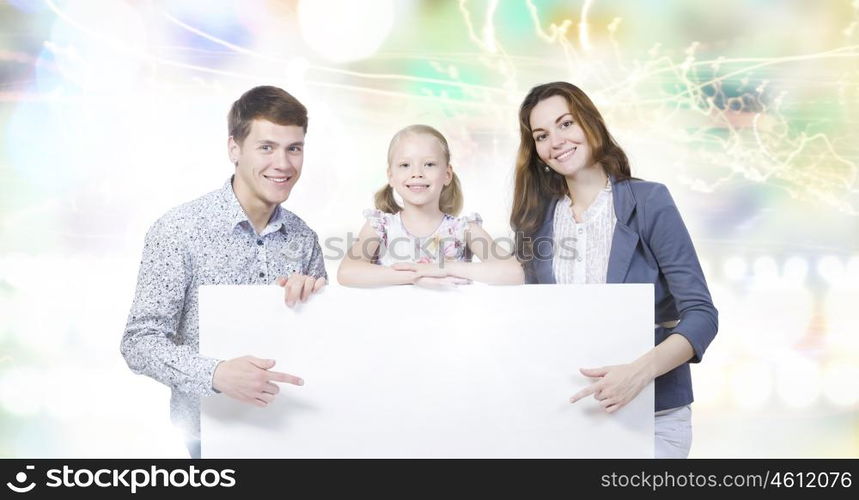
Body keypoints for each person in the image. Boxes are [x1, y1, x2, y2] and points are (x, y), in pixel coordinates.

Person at [510, 82, 718, 458]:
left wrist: (638, 373)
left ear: (591, 125)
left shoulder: (649, 201)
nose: (556, 141)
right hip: (566, 420)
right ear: (537, 152)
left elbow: (701, 316)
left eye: (566, 124)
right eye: (541, 135)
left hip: (652, 420)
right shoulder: (534, 224)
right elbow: (527, 318)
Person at [121, 85, 327, 458]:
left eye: (293, 148)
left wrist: (316, 298)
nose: (283, 163)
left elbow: (323, 347)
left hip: (297, 440)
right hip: (209, 447)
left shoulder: (304, 239)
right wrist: (215, 375)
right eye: (266, 147)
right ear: (234, 148)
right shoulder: (178, 230)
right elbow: (139, 342)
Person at [337, 124, 523, 287]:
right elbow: (347, 273)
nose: (417, 173)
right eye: (405, 165)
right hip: (392, 323)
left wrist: (443, 268)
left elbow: (513, 274)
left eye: (429, 164)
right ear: (391, 176)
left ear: (447, 174)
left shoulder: (462, 229)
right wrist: (416, 275)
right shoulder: (381, 226)